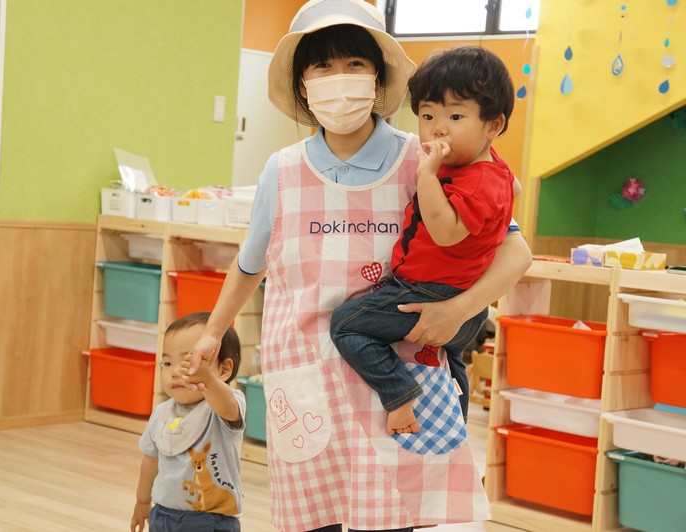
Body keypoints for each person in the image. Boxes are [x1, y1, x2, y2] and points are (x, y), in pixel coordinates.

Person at [188, 1, 533, 530]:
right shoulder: (281, 170)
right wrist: (214, 331)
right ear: (303, 86)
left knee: (390, 518)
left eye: (354, 64)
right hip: (308, 377)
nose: (339, 79)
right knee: (315, 519)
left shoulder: (427, 157)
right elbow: (250, 263)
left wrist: (460, 310)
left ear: (377, 78)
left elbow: (515, 250)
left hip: (398, 375)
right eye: (322, 67)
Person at [330, 45, 519, 435]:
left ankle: (399, 393)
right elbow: (514, 187)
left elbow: (445, 232)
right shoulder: (491, 169)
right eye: (428, 116)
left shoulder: (470, 179)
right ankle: (454, 426)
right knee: (451, 362)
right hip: (465, 303)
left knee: (346, 325)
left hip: (428, 292)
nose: (438, 129)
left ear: (493, 125)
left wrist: (427, 176)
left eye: (455, 116)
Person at [131, 312, 245, 532]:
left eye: (187, 363)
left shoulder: (223, 407)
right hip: (163, 514)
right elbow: (150, 460)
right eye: (167, 363)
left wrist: (207, 379)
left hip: (210, 520)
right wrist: (142, 501)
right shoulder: (161, 413)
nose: (175, 372)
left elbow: (227, 406)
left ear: (223, 370)